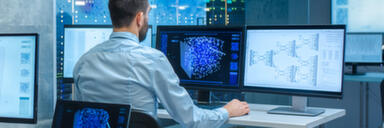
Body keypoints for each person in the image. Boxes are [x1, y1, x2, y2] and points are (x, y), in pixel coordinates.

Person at [73, 0, 250, 127]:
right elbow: (190, 119)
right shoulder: (152, 60)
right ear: (140, 18)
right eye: (148, 14)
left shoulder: (84, 62)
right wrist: (226, 111)